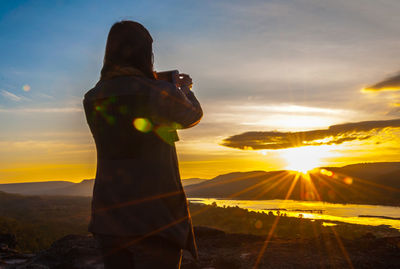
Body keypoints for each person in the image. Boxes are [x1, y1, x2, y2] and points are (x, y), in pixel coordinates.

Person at [83, 20, 202, 269]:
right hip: (156, 220)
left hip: (109, 217)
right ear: (145, 54)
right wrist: (185, 89)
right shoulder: (158, 91)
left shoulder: (92, 97)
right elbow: (191, 116)